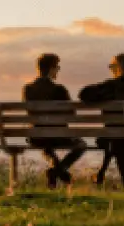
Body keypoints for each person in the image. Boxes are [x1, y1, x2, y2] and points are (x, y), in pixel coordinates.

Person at [78, 53, 124, 192]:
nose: (111, 69)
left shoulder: (110, 86)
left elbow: (83, 94)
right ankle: (121, 182)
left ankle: (104, 174)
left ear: (121, 67)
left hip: (115, 137)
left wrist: (103, 98)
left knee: (114, 140)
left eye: (112, 66)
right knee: (118, 140)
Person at [22, 53, 86, 188]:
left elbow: (30, 113)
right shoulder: (60, 90)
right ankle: (58, 171)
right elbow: (72, 114)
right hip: (59, 136)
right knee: (81, 145)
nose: (57, 70)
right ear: (51, 69)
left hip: (37, 137)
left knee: (46, 145)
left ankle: (57, 171)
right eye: (57, 67)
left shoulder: (27, 89)